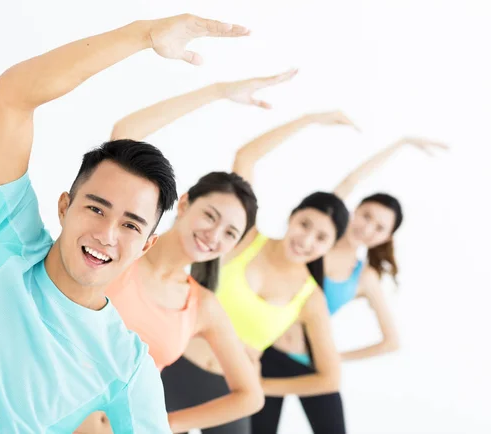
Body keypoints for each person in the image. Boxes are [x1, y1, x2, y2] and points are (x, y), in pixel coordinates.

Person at [0, 13, 251, 434]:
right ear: (63, 206)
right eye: (96, 208)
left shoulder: (125, 365)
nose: (106, 234)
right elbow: (13, 95)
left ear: (147, 243)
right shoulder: (1, 236)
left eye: (131, 225)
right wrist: (142, 35)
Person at [117, 93, 358, 432]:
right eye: (305, 225)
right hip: (174, 368)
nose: (306, 240)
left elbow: (329, 379)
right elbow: (247, 156)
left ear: (330, 247)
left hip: (227, 391)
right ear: (292, 217)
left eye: (321, 239)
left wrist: (262, 385)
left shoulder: (310, 297)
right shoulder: (241, 237)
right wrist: (311, 118)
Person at [76, 72, 295, 433]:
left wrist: (162, 425)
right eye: (210, 216)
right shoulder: (119, 250)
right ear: (185, 202)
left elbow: (250, 396)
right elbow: (125, 131)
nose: (214, 235)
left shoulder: (202, 306)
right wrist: (218, 90)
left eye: (230, 233)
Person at [252, 137, 448, 434]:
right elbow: (351, 180)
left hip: (313, 367)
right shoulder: (313, 242)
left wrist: (334, 356)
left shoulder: (365, 278)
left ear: (386, 239)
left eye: (379, 228)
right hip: (265, 353)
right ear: (353, 210)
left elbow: (391, 341)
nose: (367, 228)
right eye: (366, 215)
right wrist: (399, 144)